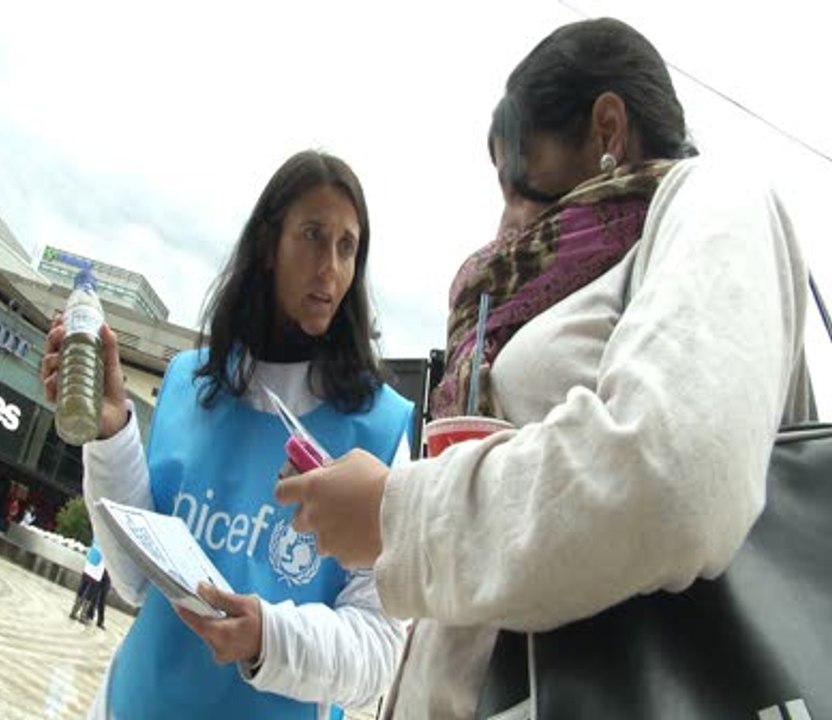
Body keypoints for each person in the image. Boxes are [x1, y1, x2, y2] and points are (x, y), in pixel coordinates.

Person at [275, 18, 814, 719]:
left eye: (517, 184)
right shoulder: (584, 276)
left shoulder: (716, 200)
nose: (506, 225)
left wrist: (396, 514)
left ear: (608, 130)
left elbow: (671, 474)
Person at [39, 150, 414, 719]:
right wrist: (110, 434)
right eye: (313, 236)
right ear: (267, 245)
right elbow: (137, 581)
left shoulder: (381, 429)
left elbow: (379, 654)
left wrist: (269, 638)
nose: (330, 268)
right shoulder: (189, 381)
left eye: (347, 247)